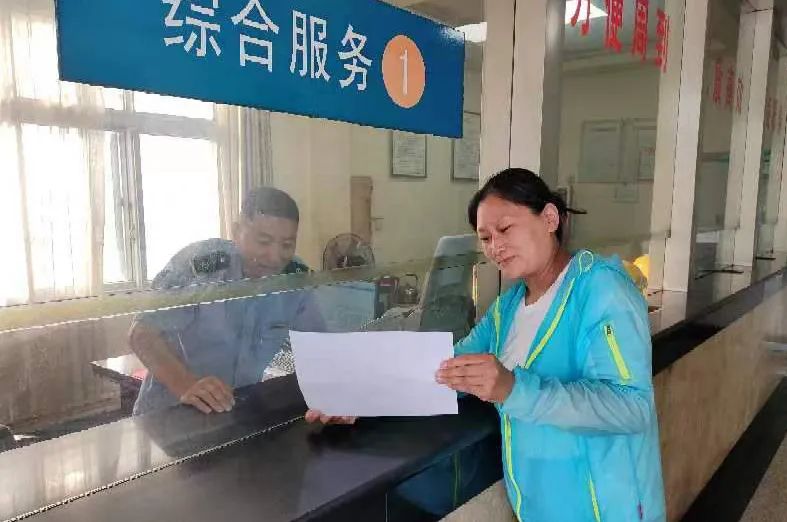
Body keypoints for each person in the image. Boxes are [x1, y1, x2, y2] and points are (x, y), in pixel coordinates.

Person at [307, 168, 666, 522]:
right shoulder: (508, 309)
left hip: (604, 509)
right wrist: (364, 396)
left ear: (549, 218)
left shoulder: (601, 292)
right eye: (485, 237)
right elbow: (449, 368)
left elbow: (631, 407)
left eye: (505, 229)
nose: (495, 246)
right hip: (539, 509)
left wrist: (514, 389)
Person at [131, 187, 325, 415]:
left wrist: (335, 397)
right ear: (236, 231)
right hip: (171, 411)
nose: (275, 257)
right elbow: (141, 335)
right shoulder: (200, 267)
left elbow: (319, 346)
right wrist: (187, 385)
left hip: (234, 410)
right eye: (264, 242)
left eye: (287, 245)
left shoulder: (294, 278)